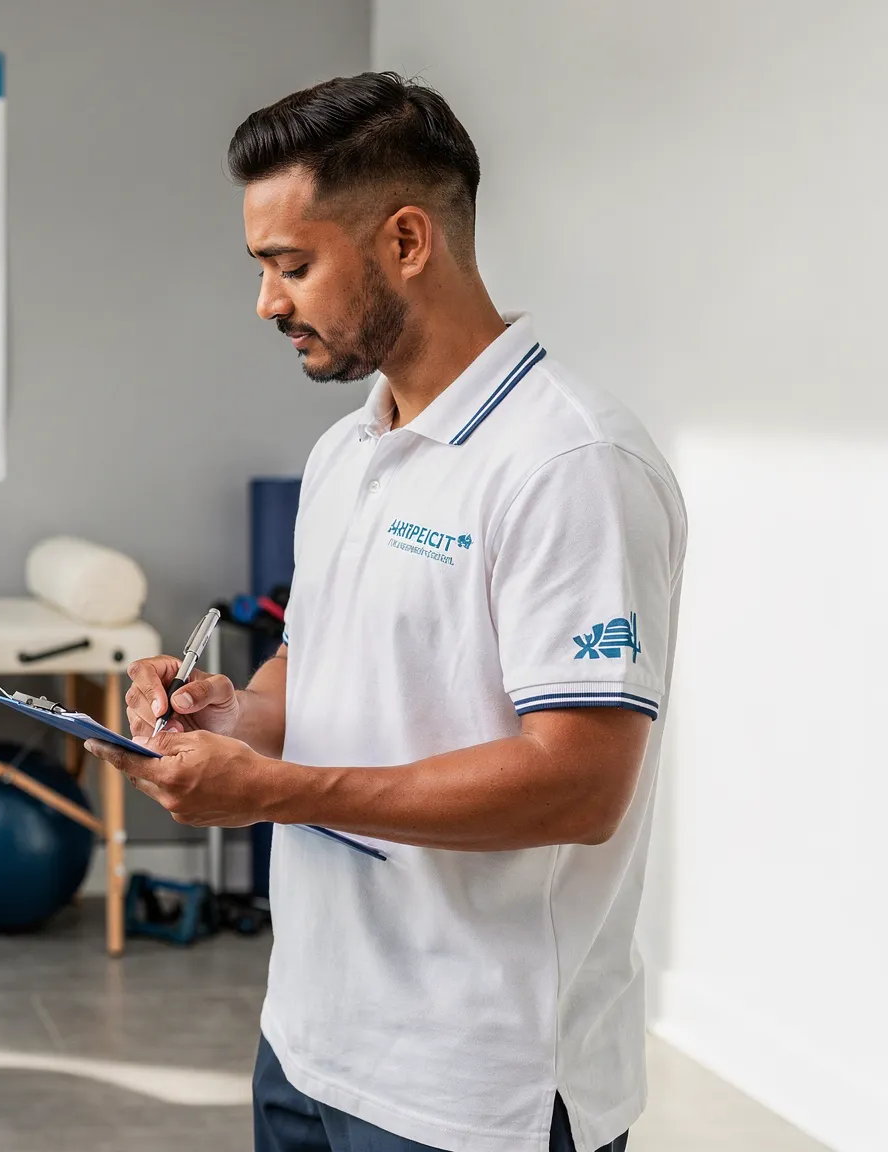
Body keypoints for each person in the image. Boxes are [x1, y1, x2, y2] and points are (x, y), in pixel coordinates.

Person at [86, 73, 685, 1152]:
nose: (266, 303)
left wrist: (273, 792)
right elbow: (312, 672)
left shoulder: (568, 465)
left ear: (405, 240)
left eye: (291, 265)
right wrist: (225, 720)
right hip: (308, 1038)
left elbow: (580, 783)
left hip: (473, 1089)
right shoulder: (344, 452)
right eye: (261, 268)